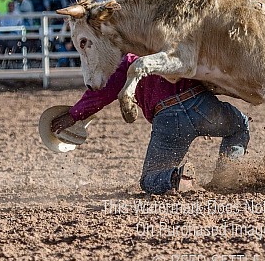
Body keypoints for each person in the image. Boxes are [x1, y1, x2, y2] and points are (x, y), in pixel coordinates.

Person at [50, 53, 250, 195]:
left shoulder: (127, 60)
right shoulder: (170, 43)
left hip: (168, 118)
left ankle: (174, 177)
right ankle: (226, 177)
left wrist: (74, 115)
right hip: (201, 103)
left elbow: (103, 92)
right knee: (239, 125)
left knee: (150, 180)